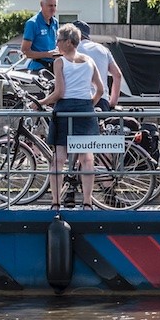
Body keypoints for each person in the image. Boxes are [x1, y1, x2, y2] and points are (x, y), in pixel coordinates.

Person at [40, 23, 104, 210]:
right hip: (84, 110)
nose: (57, 44)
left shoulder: (59, 62)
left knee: (59, 158)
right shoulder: (89, 61)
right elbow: (99, 89)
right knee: (87, 158)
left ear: (68, 42)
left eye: (59, 40)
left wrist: (40, 103)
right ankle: (87, 201)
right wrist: (88, 105)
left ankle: (55, 202)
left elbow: (59, 92)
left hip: (65, 109)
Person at [73, 20, 122, 111]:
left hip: (79, 100)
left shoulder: (71, 49)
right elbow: (117, 75)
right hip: (102, 100)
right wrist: (112, 102)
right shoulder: (103, 49)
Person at [21, 0, 59, 74]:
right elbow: (25, 52)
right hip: (38, 68)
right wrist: (47, 54)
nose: (53, 9)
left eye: (55, 5)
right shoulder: (32, 23)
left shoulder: (55, 22)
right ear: (42, 5)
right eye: (50, 5)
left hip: (53, 66)